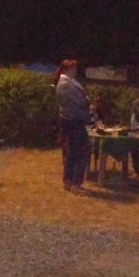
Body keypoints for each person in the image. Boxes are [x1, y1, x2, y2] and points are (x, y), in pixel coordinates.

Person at [53, 58, 91, 192]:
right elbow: (82, 102)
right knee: (83, 150)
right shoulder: (67, 85)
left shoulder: (64, 82)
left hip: (68, 119)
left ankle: (68, 180)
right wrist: (87, 99)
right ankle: (76, 182)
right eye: (72, 68)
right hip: (74, 120)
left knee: (72, 150)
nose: (75, 70)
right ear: (66, 70)